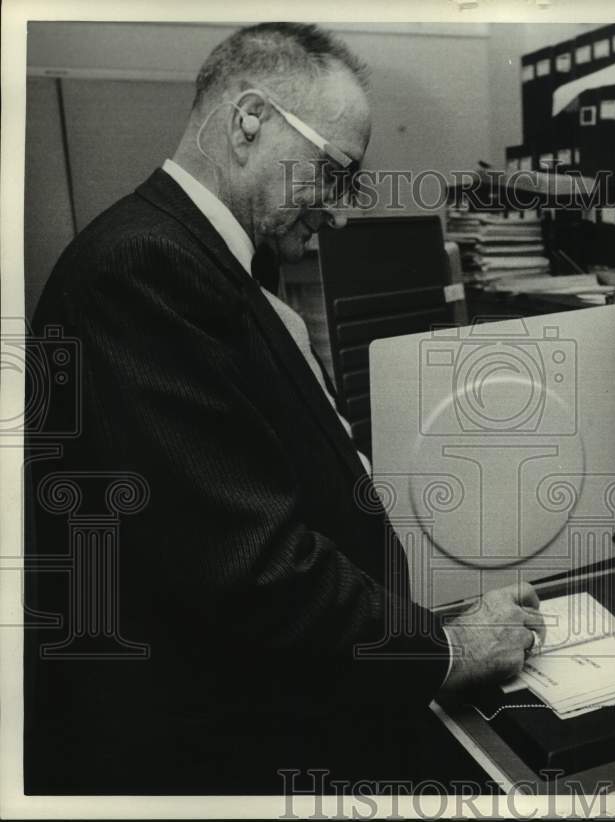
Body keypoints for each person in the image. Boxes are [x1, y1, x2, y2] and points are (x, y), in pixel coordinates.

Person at [25, 22, 544, 795]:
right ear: (248, 122)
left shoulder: (210, 265)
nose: (338, 212)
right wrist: (448, 651)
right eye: (335, 174)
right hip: (204, 759)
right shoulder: (140, 271)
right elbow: (251, 569)